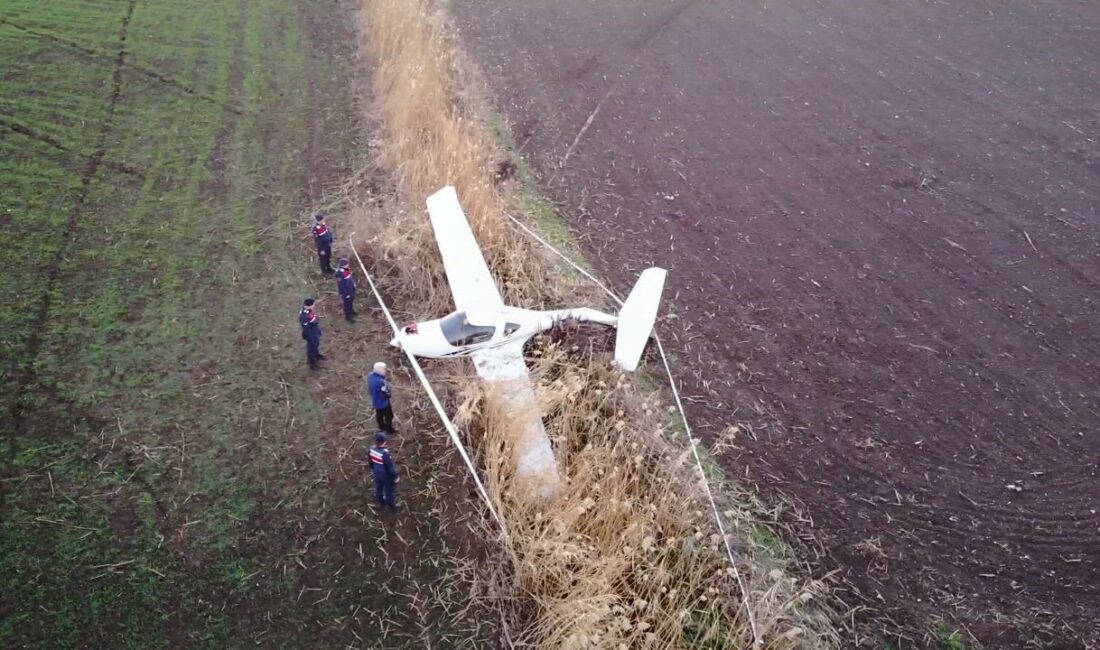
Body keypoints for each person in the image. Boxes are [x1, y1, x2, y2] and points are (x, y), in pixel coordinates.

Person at [369, 432, 400, 511]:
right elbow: (390, 468)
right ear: (384, 442)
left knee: (379, 486)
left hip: (377, 472)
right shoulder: (385, 454)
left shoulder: (371, 449)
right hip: (386, 475)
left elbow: (370, 462)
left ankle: (380, 500)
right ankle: (391, 506)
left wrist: (374, 469)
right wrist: (396, 476)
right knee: (389, 490)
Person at [367, 362, 394, 434]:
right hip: (383, 403)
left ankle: (381, 427)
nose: (385, 371)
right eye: (384, 369)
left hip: (375, 401)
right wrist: (389, 392)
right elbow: (386, 394)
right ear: (380, 370)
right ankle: (389, 429)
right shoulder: (381, 382)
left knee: (379, 415)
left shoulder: (370, 376)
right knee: (389, 416)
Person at [299, 298, 324, 370]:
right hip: (310, 333)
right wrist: (310, 337)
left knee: (316, 343)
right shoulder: (304, 316)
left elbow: (315, 319)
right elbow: (307, 328)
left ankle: (316, 355)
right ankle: (312, 363)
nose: (314, 306)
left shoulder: (309, 311)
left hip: (314, 331)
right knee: (311, 347)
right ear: (309, 306)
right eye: (313, 304)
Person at [335, 258, 357, 322]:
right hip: (346, 291)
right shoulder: (339, 273)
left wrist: (353, 283)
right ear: (343, 265)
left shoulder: (346, 269)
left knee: (351, 301)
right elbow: (341, 285)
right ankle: (348, 317)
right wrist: (346, 294)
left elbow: (350, 277)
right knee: (347, 304)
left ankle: (351, 311)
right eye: (347, 264)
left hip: (351, 288)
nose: (348, 265)